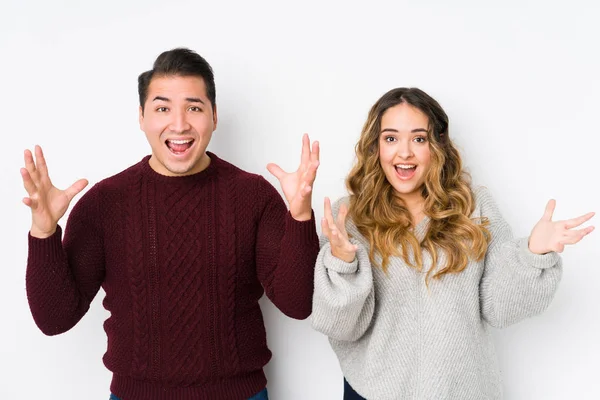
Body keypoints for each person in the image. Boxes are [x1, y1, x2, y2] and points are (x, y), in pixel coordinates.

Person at [21, 47, 320, 400]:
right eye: (163, 108)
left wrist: (300, 216)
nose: (179, 125)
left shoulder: (253, 196)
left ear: (214, 116)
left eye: (194, 108)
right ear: (142, 117)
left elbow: (298, 304)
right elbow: (55, 319)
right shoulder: (104, 203)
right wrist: (43, 233)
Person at [310, 87, 595, 400]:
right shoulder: (349, 216)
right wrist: (342, 263)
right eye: (391, 138)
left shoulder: (473, 207)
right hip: (374, 391)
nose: (404, 152)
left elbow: (499, 308)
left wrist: (534, 253)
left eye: (419, 138)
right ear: (375, 146)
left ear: (437, 145)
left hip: (462, 390)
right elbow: (339, 325)